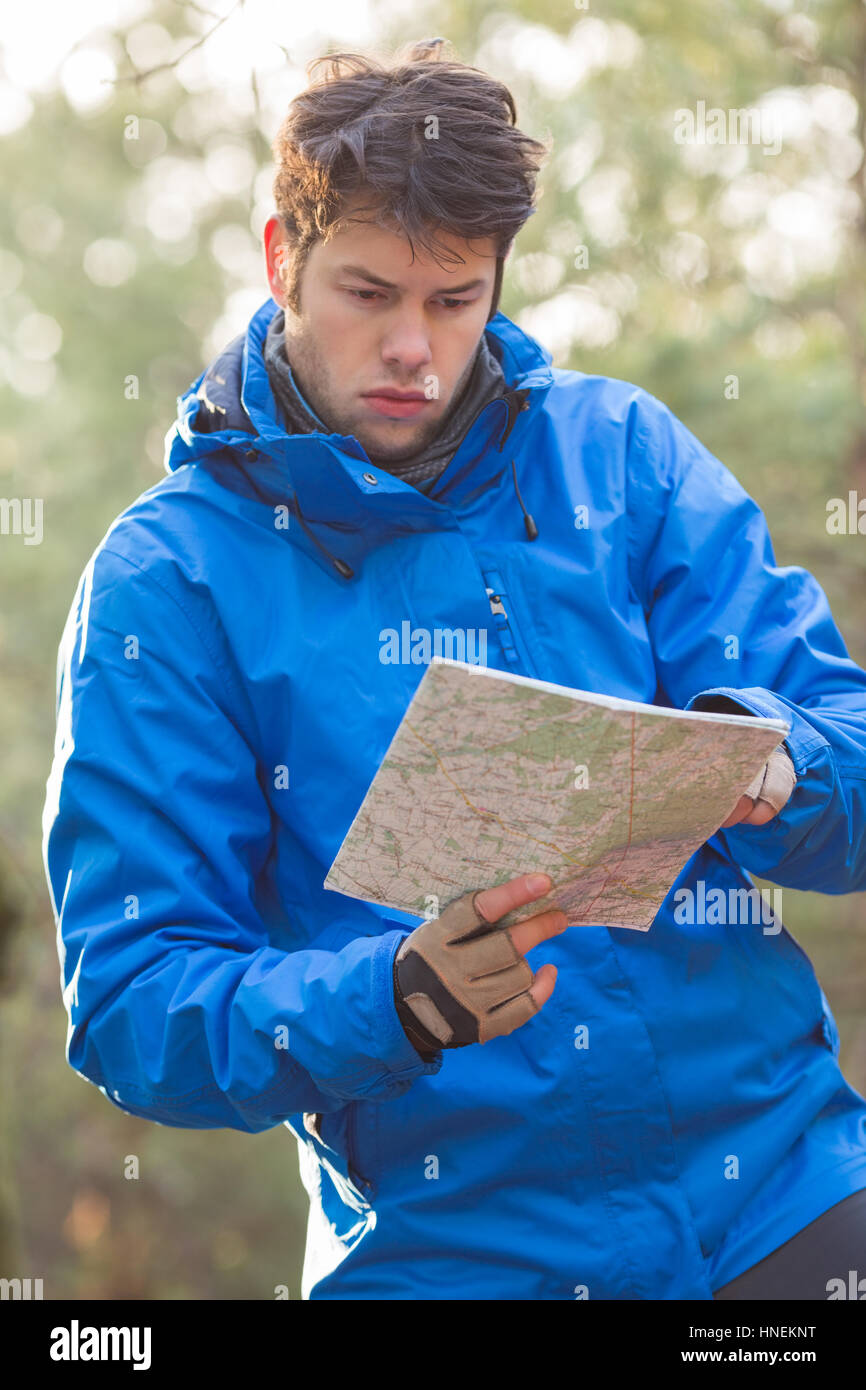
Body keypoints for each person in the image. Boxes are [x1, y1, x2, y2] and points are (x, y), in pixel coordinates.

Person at [42, 38, 866, 1301]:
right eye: (367, 294)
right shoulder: (170, 582)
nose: (413, 350)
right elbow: (133, 1004)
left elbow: (844, 768)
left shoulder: (623, 459)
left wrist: (775, 759)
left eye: (453, 298)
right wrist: (393, 1000)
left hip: (780, 1192)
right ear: (281, 262)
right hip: (452, 1259)